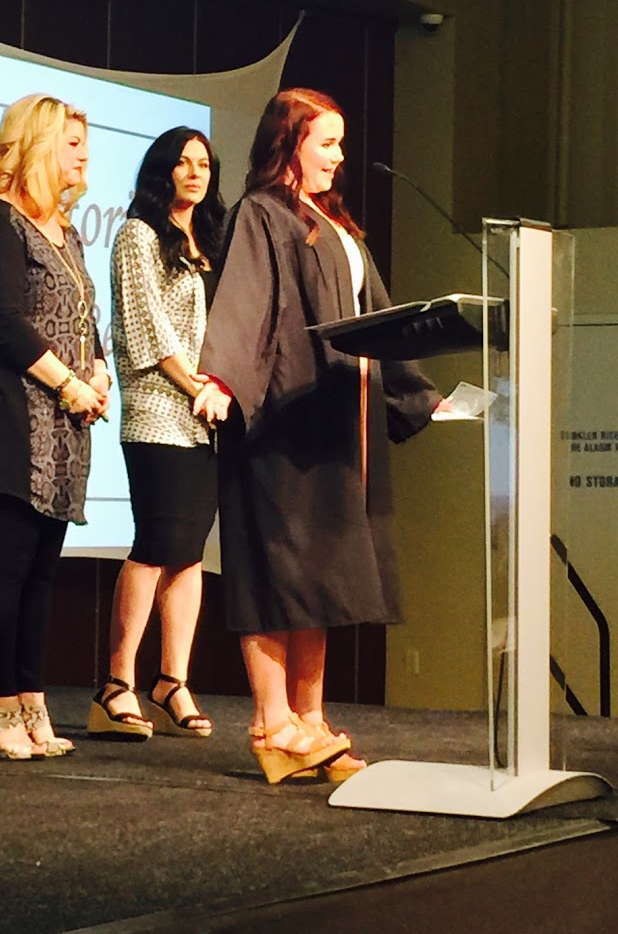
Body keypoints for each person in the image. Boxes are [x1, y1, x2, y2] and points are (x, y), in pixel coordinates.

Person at [195, 88, 442, 784]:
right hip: (283, 422)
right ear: (290, 142)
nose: (339, 156)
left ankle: (310, 720)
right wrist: (223, 378)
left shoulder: (334, 225)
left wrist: (418, 396)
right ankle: (272, 723)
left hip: (335, 424)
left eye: (340, 143)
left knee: (320, 576)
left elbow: (381, 319)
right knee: (278, 571)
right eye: (326, 143)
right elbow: (244, 302)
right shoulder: (262, 213)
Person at [0, 93, 111, 761]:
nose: (84, 155)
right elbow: (4, 324)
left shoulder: (68, 234)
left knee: (43, 574)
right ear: (38, 145)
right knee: (9, 569)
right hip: (12, 422)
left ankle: (31, 700)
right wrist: (69, 384)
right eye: (72, 143)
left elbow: (86, 322)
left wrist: (99, 373)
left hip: (67, 430)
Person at [88, 127, 225, 741]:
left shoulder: (211, 241)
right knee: (155, 542)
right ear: (161, 170)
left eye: (204, 164)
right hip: (157, 410)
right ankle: (117, 682)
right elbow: (145, 325)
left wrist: (218, 387)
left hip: (206, 418)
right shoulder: (137, 234)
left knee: (190, 550)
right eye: (182, 163)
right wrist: (194, 384)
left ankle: (173, 680)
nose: (194, 173)